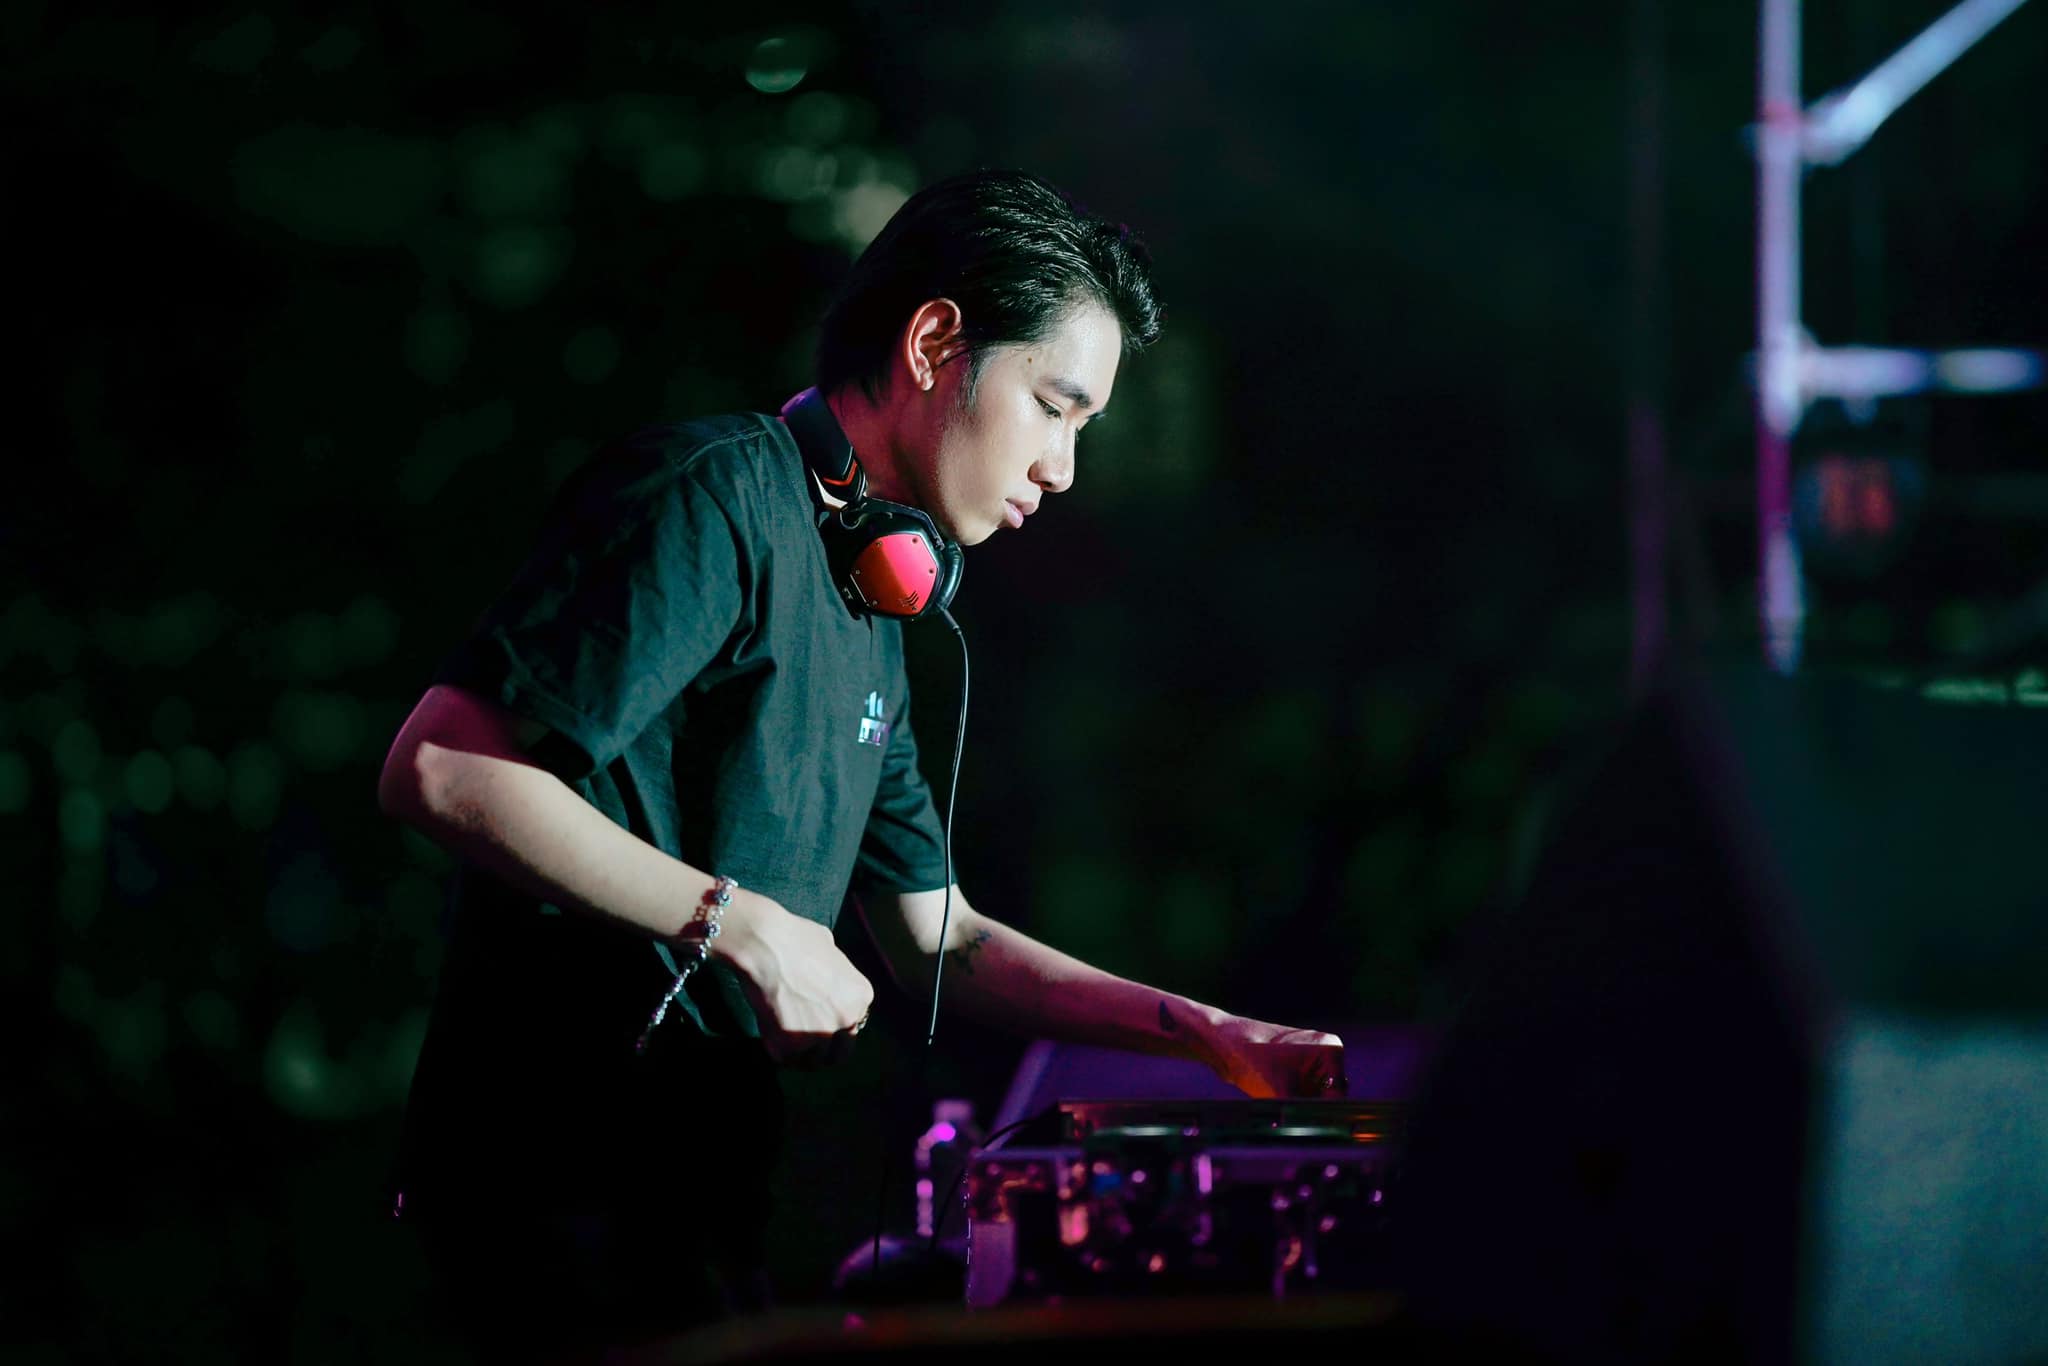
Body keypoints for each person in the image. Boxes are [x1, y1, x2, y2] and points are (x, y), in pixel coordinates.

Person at [377, 169, 1345, 1362]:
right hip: (549, 1203)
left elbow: (947, 942)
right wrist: (740, 924)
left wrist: (1206, 1033)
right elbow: (443, 767)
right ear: (935, 343)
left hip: (693, 1216)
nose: (1062, 467)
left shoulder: (869, 608)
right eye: (1053, 407)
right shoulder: (712, 499)